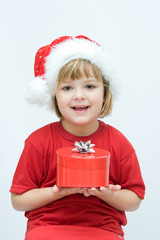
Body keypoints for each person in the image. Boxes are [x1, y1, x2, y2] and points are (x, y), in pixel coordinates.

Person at [10, 35, 145, 240]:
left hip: (103, 230)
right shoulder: (38, 142)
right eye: (67, 88)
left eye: (89, 86)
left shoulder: (119, 142)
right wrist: (57, 192)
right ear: (53, 95)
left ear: (105, 91)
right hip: (48, 228)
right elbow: (19, 200)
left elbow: (134, 200)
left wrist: (109, 194)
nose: (79, 95)